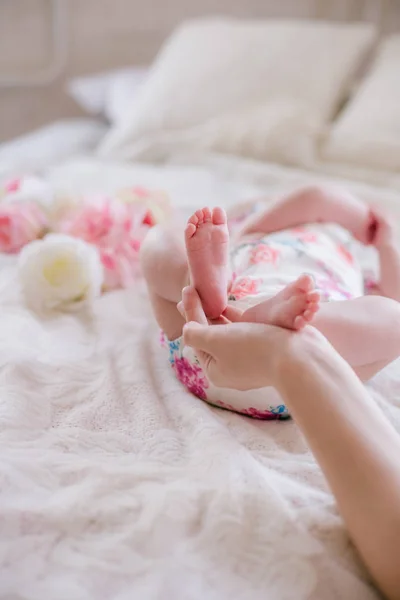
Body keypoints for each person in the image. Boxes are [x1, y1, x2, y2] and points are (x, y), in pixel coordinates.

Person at [180, 288, 400, 600]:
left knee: (393, 314)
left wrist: (387, 245)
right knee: (392, 317)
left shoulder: (343, 246)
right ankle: (217, 292)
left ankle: (238, 306)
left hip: (212, 351)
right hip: (228, 330)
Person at [141, 184, 400, 419]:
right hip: (301, 387)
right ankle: (269, 322)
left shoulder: (252, 235)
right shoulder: (255, 228)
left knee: (159, 243)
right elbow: (316, 197)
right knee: (393, 318)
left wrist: (385, 243)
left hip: (200, 352)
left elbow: (316, 198)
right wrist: (372, 228)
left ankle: (196, 287)